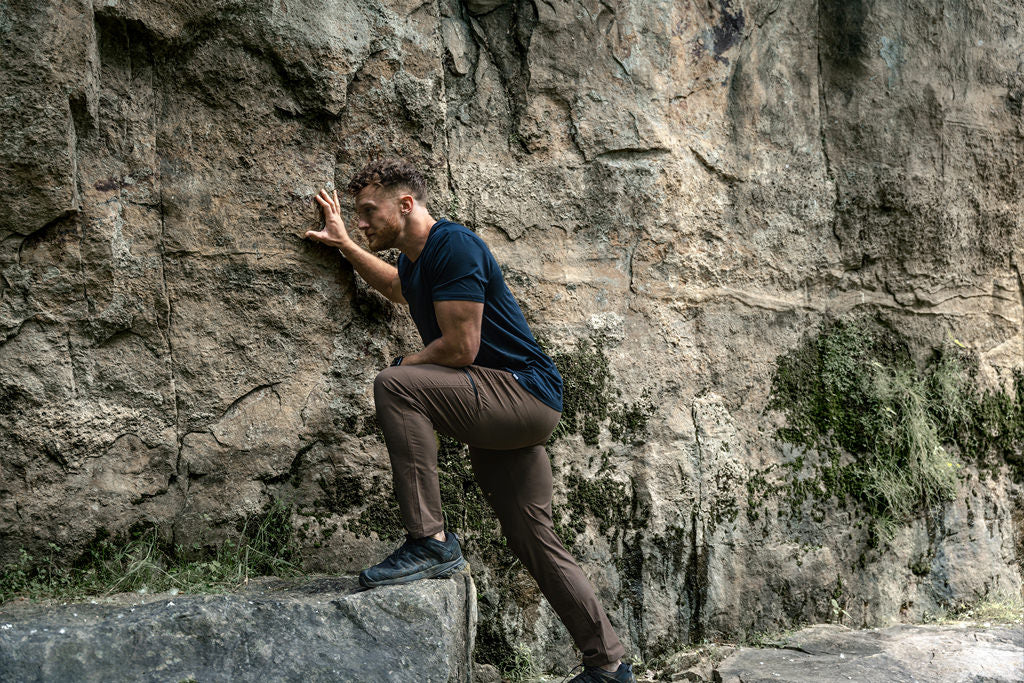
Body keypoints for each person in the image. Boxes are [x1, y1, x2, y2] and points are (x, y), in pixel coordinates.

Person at [304, 157, 634, 682]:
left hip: (522, 393)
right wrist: (346, 245)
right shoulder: (416, 262)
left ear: (406, 205)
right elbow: (396, 287)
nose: (363, 221)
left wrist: (404, 364)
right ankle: (609, 665)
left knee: (395, 385)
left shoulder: (453, 245)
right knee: (534, 539)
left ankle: (428, 541)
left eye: (369, 212)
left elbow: (460, 348)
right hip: (510, 407)